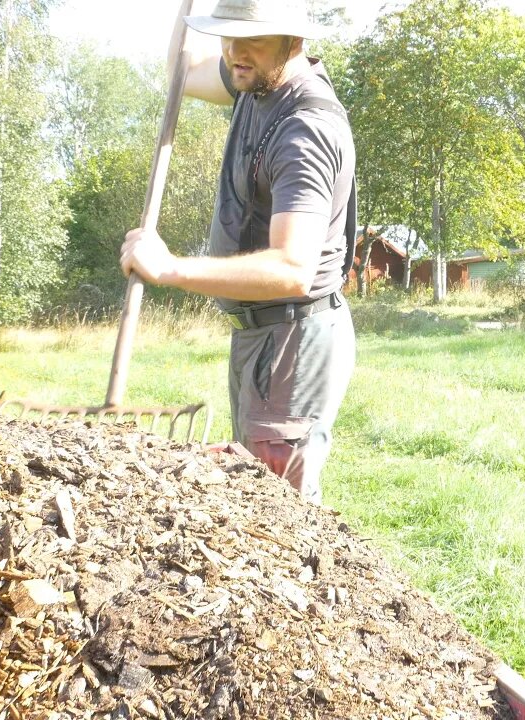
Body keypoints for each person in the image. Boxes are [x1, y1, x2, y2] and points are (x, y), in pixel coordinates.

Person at [120, 0, 356, 505]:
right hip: (261, 334)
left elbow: (293, 268)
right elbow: (182, 73)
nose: (232, 51)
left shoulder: (305, 131)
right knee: (256, 497)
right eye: (226, 35)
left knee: (281, 511)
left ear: (294, 40)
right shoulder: (256, 79)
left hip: (293, 334)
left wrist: (172, 269)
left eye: (251, 37)